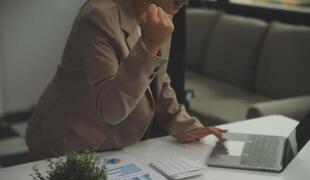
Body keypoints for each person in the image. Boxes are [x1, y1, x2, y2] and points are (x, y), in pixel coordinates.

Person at [25, 0, 226, 160]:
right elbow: (110, 109)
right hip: (67, 142)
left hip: (114, 147)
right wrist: (149, 45)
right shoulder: (98, 17)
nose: (185, 1)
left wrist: (185, 125)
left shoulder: (161, 13)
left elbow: (158, 80)